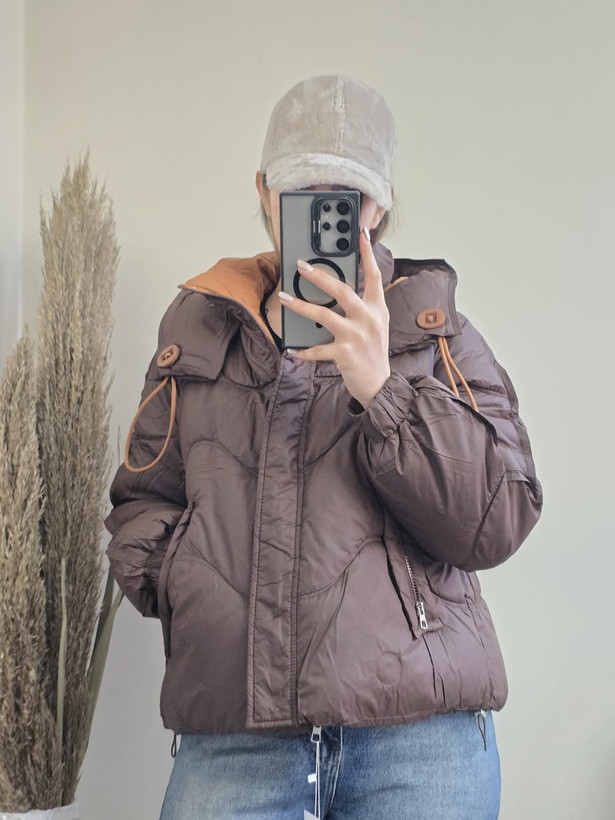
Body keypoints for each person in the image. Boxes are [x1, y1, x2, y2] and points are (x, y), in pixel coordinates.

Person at [104, 74, 543, 819]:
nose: (324, 215)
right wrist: (189, 587)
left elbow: (496, 521)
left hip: (419, 743)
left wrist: (383, 390)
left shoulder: (436, 331)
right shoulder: (198, 327)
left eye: (348, 195)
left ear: (380, 205)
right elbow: (142, 500)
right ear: (263, 191)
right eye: (302, 191)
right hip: (235, 742)